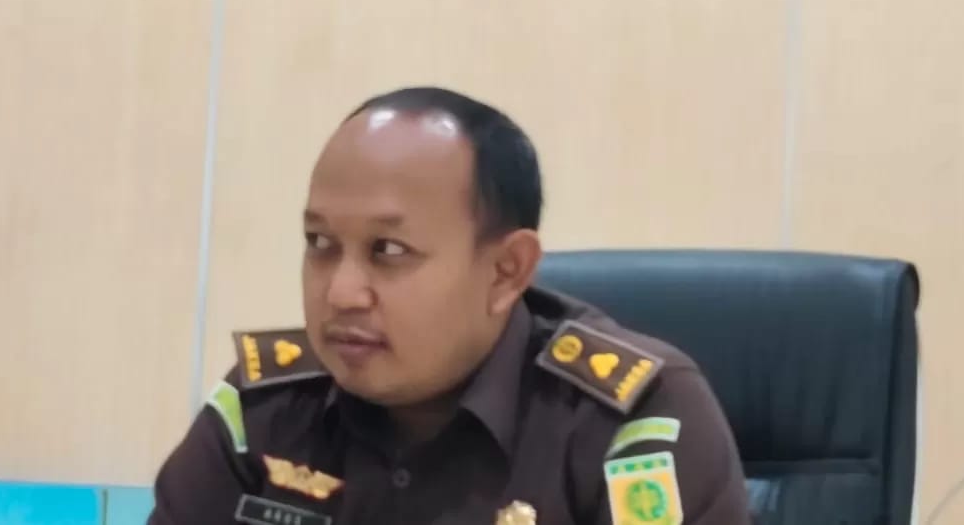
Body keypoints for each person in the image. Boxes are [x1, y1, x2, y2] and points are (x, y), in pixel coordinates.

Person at [148, 87, 752, 525]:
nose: (341, 293)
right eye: (320, 243)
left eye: (389, 251)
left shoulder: (632, 420)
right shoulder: (264, 412)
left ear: (506, 271)